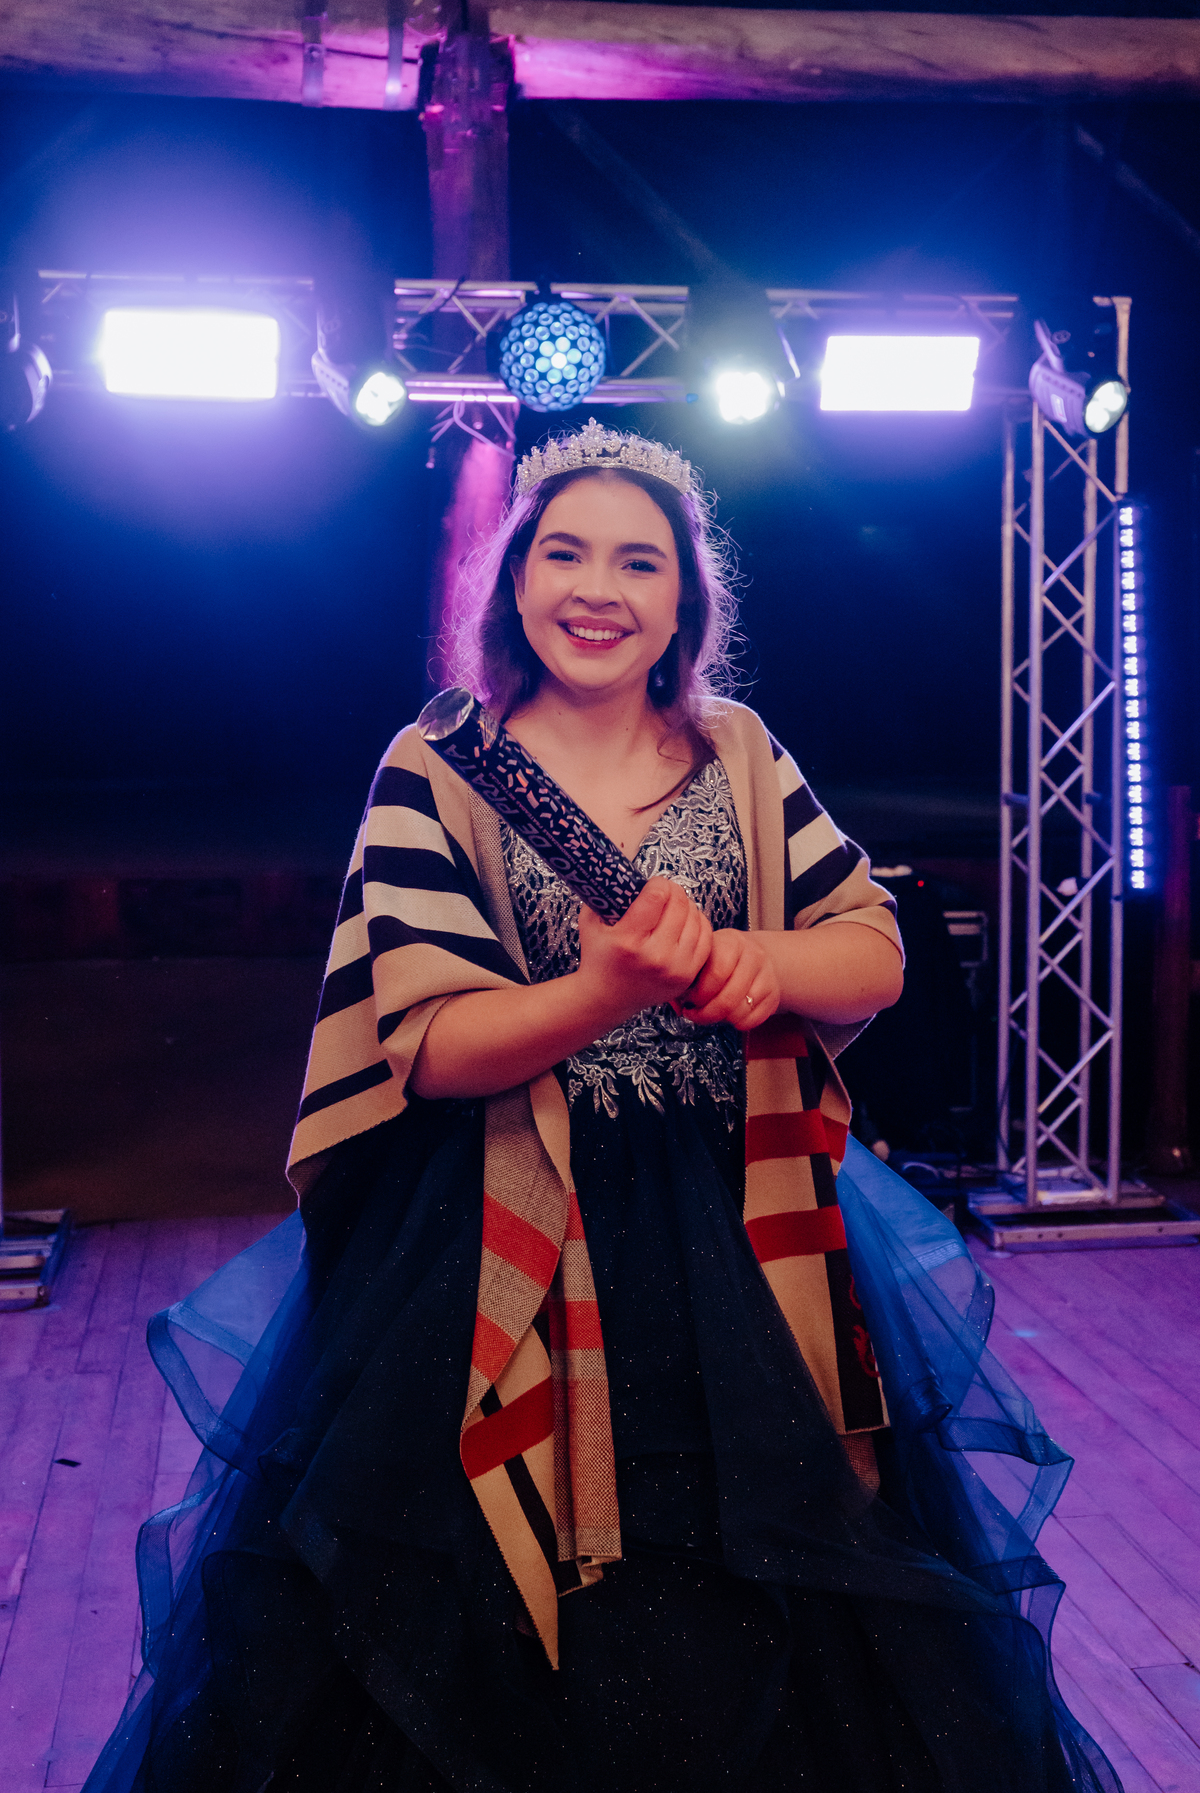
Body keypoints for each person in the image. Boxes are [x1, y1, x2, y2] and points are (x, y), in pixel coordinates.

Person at [85, 420, 1120, 1793]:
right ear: (514, 579)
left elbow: (871, 948)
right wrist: (600, 990)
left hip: (737, 1236)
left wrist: (759, 963)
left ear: (685, 603)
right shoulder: (441, 768)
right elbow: (431, 1043)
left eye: (641, 562)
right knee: (469, 1628)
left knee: (772, 1605)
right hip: (488, 1243)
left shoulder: (740, 753)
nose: (599, 588)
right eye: (565, 553)